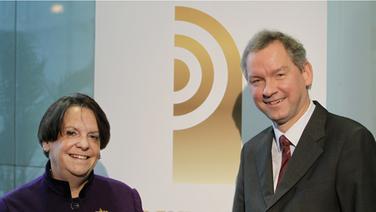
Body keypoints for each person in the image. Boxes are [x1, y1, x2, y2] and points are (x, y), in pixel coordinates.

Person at [233, 30, 376, 212]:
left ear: (306, 73)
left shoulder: (350, 141)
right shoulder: (251, 152)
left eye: (280, 75)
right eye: (257, 80)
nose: (268, 90)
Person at [0, 93, 143, 212]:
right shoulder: (13, 206)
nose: (84, 144)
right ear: (46, 142)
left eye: (93, 137)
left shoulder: (125, 199)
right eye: (72, 133)